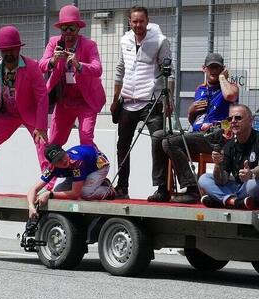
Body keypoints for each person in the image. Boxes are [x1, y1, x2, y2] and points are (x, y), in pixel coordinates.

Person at [149, 53, 239, 203]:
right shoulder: (200, 89)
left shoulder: (229, 87)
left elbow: (230, 96)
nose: (214, 71)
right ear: (204, 69)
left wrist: (223, 78)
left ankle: (192, 189)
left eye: (217, 68)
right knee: (158, 136)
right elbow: (194, 121)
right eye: (211, 67)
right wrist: (191, 111)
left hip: (218, 137)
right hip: (198, 134)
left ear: (223, 69)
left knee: (170, 142)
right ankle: (162, 188)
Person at [111, 5, 174, 200]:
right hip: (128, 101)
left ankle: (162, 189)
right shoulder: (125, 40)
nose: (138, 25)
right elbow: (120, 69)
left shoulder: (160, 40)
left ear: (147, 21)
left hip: (151, 101)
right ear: (129, 22)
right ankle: (122, 188)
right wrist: (115, 99)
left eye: (141, 21)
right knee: (122, 145)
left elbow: (169, 72)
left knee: (159, 142)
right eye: (134, 21)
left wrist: (169, 99)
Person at [0, 25, 48, 194]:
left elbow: (42, 97)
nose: (8, 54)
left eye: (12, 50)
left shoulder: (32, 66)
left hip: (29, 112)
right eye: (5, 51)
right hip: (7, 114)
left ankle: (47, 186)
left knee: (43, 144)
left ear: (19, 48)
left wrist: (41, 127)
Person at [39, 5, 105, 147]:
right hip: (64, 101)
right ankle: (59, 164)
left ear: (78, 28)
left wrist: (78, 65)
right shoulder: (54, 43)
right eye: (64, 28)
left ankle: (95, 161)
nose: (68, 32)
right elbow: (40, 66)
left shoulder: (89, 45)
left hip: (86, 100)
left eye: (72, 28)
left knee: (86, 139)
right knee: (54, 143)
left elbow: (98, 69)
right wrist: (53, 60)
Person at [26, 144, 115, 218]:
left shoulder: (76, 162)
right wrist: (31, 206)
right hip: (77, 170)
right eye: (58, 160)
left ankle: (108, 190)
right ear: (53, 164)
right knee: (57, 191)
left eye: (62, 156)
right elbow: (34, 189)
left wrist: (49, 194)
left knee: (85, 193)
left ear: (65, 152)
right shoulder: (51, 168)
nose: (63, 160)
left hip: (98, 166)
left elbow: (75, 193)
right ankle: (90, 182)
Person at [198, 104, 259, 210]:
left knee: (253, 185)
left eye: (238, 118)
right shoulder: (229, 145)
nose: (233, 121)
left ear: (250, 121)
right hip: (237, 187)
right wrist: (217, 165)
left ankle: (221, 200)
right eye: (230, 119)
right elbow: (221, 180)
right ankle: (234, 201)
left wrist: (251, 174)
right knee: (204, 179)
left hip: (251, 185)